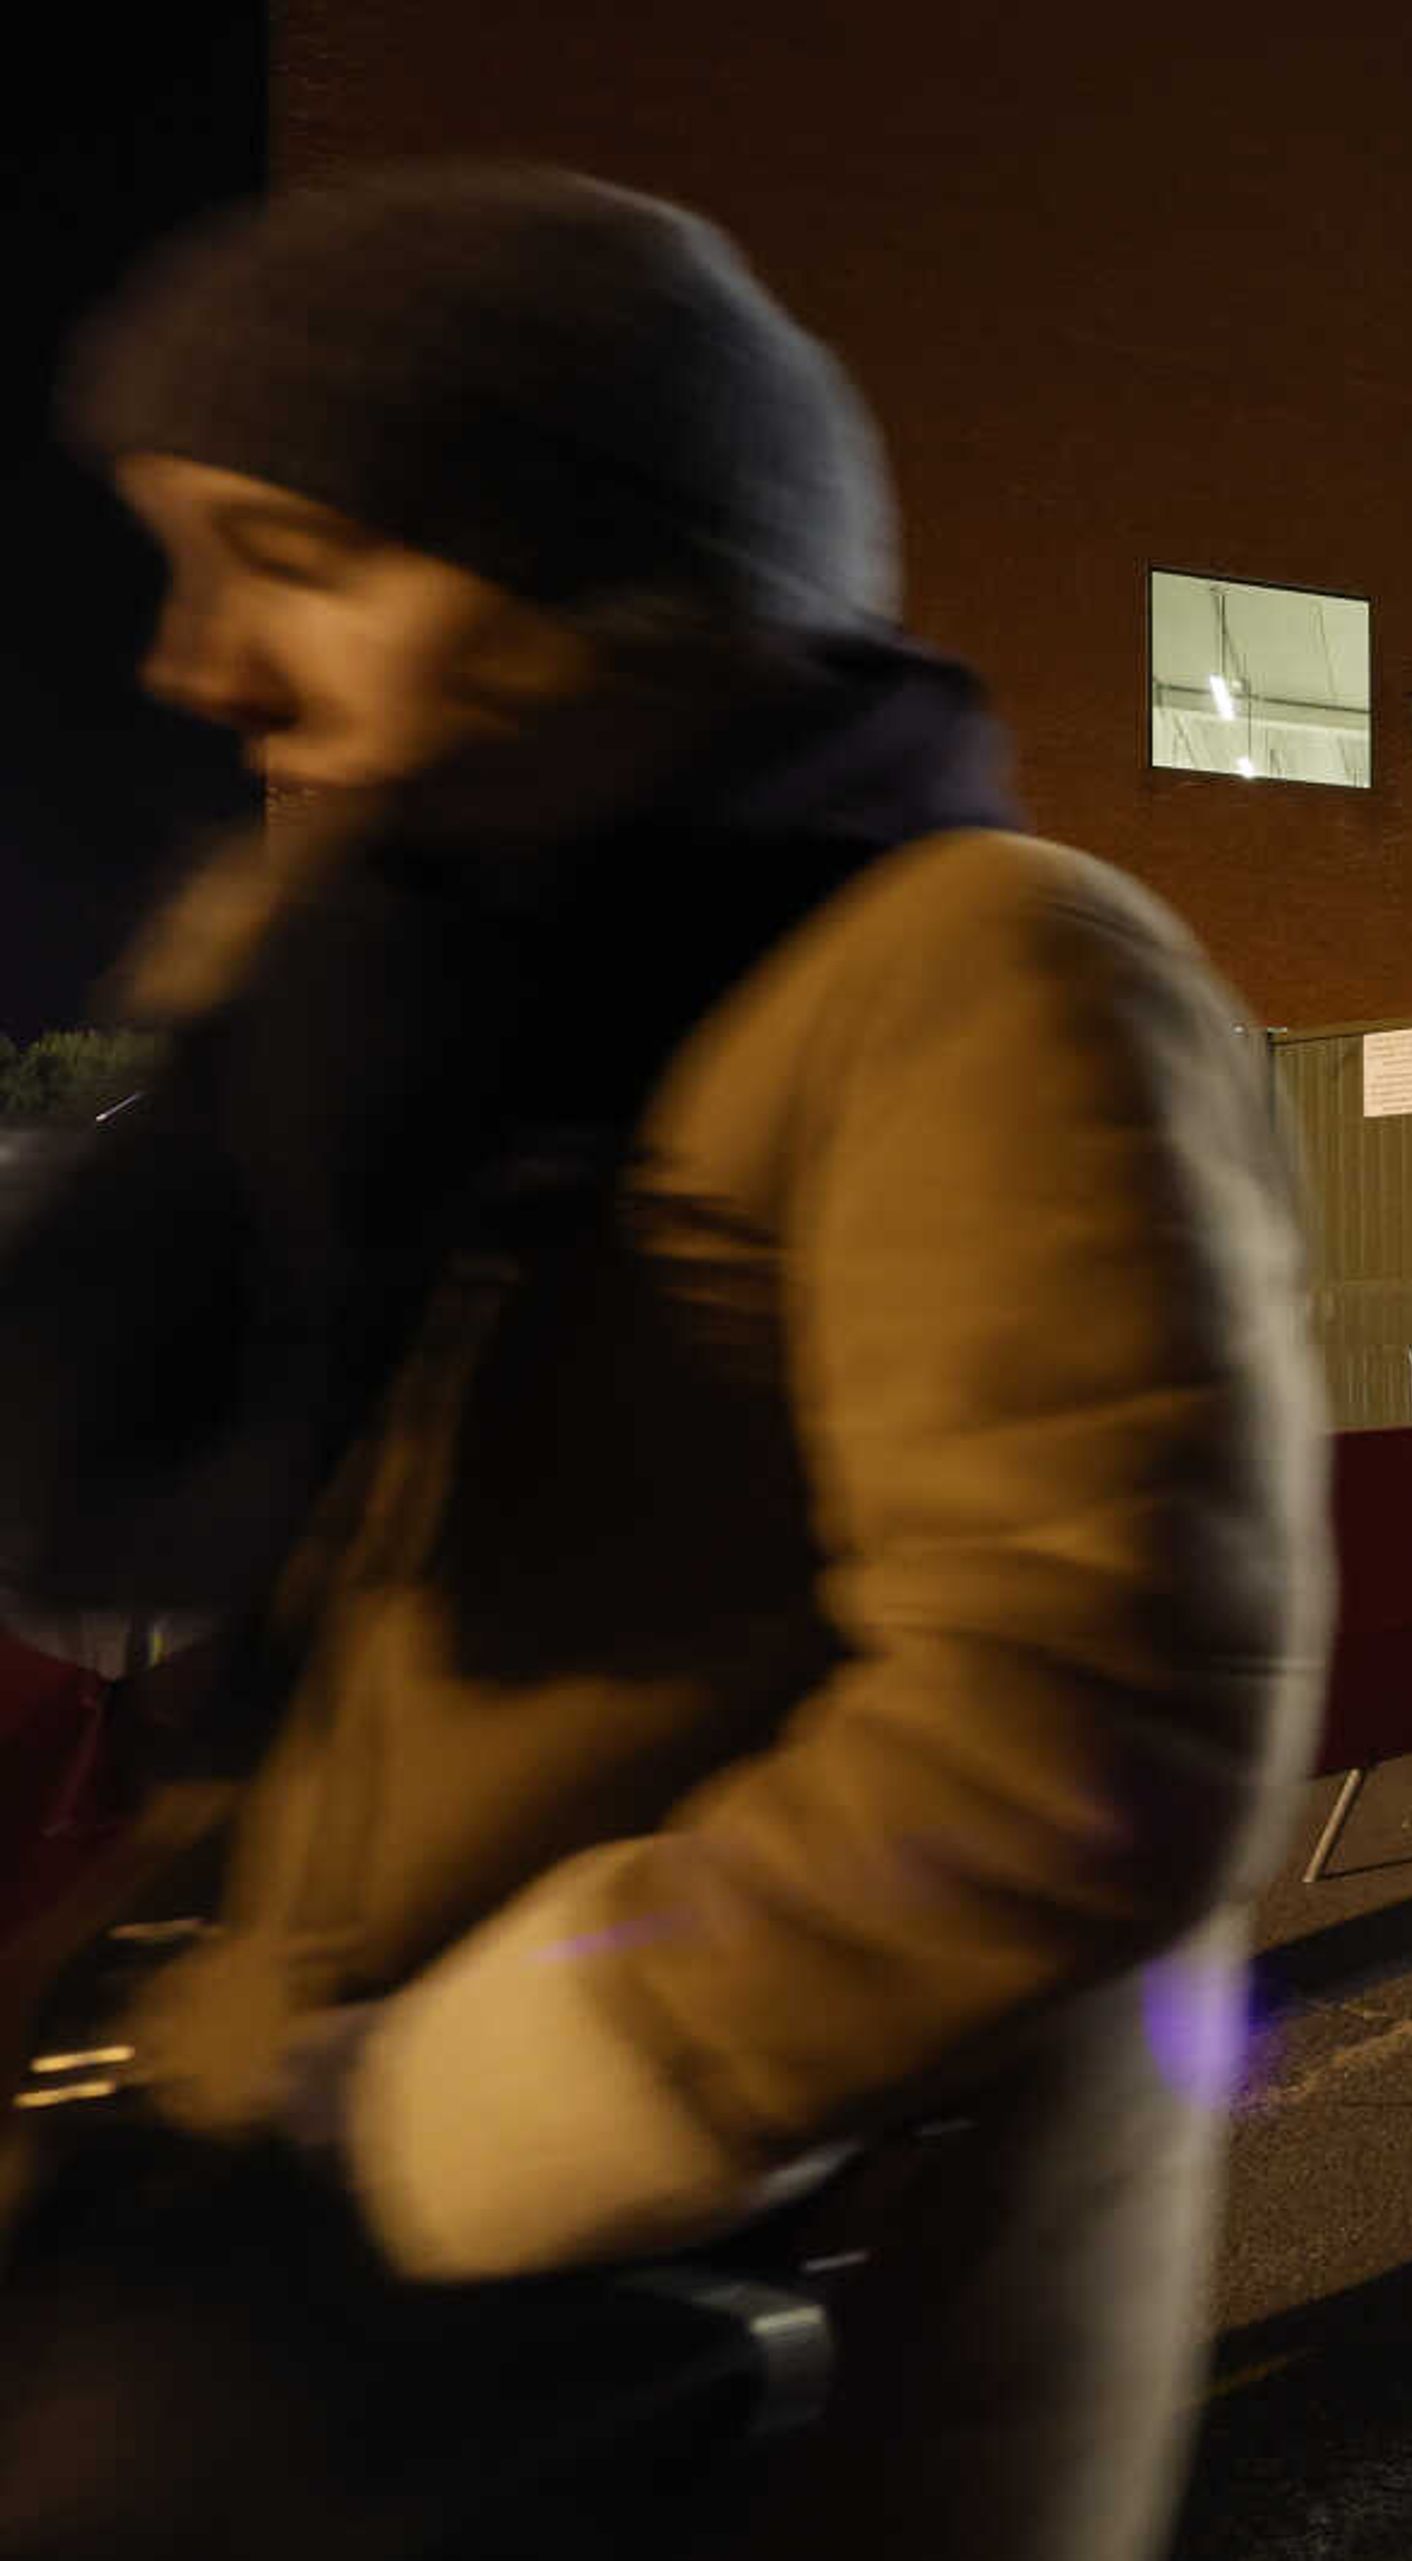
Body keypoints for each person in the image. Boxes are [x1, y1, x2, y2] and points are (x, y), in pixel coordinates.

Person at [0, 167, 1323, 2559]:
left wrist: (460, 2114)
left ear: (586, 584)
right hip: (331, 2278)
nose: (201, 658)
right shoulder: (425, 1005)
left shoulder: (975, 965)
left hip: (696, 2372)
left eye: (293, 558)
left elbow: (1094, 1696)